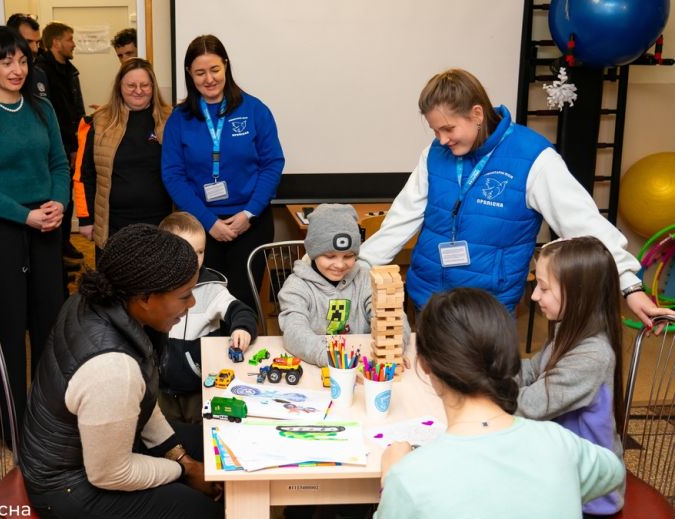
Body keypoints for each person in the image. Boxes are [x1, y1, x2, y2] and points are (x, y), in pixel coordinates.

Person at [358, 68, 674, 330]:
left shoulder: (533, 157)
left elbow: (585, 226)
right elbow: (401, 218)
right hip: (428, 300)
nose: (441, 139)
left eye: (448, 128)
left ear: (477, 114)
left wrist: (629, 287)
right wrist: (357, 266)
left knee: (484, 399)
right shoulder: (435, 154)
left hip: (487, 311)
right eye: (435, 130)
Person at [19, 224, 223, 519]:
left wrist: (182, 456)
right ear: (144, 297)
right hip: (67, 489)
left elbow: (140, 399)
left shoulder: (95, 299)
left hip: (86, 452)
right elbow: (112, 474)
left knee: (212, 443)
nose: (191, 305)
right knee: (204, 512)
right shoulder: (113, 369)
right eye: (184, 296)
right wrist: (183, 470)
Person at [376, 288, 624, 518]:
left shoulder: (409, 477)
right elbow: (612, 471)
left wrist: (390, 479)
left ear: (424, 364)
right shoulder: (561, 442)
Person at [0, 26, 69, 429]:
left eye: (22, 60)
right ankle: (7, 423)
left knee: (48, 323)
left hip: (47, 226)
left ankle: (47, 418)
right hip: (3, 231)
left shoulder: (43, 109)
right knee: (7, 325)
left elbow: (59, 163)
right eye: (6, 61)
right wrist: (24, 215)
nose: (17, 69)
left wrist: (59, 202)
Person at [162, 34, 285, 313]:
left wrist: (248, 213)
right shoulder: (179, 119)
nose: (209, 79)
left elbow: (272, 164)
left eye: (215, 69)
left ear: (226, 66)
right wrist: (209, 222)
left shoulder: (255, 110)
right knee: (202, 306)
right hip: (200, 228)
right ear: (189, 74)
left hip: (251, 223)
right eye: (200, 73)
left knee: (245, 303)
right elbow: (173, 175)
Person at [516, 236, 625, 516]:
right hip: (562, 468)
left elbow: (528, 406)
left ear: (578, 294)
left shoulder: (592, 356)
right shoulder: (568, 330)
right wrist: (489, 370)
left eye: (543, 288)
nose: (534, 296)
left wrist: (483, 384)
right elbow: (530, 370)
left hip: (590, 494)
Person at [278, 204, 409, 367]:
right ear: (313, 252)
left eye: (348, 256)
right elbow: (294, 332)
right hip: (317, 365)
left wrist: (392, 348)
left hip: (364, 363)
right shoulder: (296, 286)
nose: (339, 265)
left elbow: (393, 318)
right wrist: (332, 358)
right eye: (330, 256)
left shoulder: (365, 279)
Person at [157, 212, 257, 424]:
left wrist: (241, 328)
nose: (195, 260)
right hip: (159, 388)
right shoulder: (153, 287)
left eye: (200, 252)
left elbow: (242, 311)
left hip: (199, 387)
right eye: (186, 252)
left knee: (201, 434)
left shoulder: (211, 288)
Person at [77, 58, 172, 252]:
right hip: (113, 225)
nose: (138, 90)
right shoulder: (99, 121)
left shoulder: (171, 119)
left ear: (153, 87)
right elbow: (83, 174)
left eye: (144, 85)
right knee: (114, 281)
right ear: (119, 86)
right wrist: (86, 219)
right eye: (131, 85)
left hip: (161, 223)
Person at [38, 22, 86, 271]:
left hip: (72, 142)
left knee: (66, 194)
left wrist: (79, 142)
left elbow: (76, 109)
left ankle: (65, 241)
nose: (73, 43)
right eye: (69, 39)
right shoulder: (41, 71)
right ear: (56, 42)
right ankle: (57, 248)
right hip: (53, 148)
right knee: (55, 195)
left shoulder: (71, 71)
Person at [6, 13, 50, 101]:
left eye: (37, 43)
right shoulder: (2, 75)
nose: (35, 49)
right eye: (28, 42)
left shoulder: (40, 74)